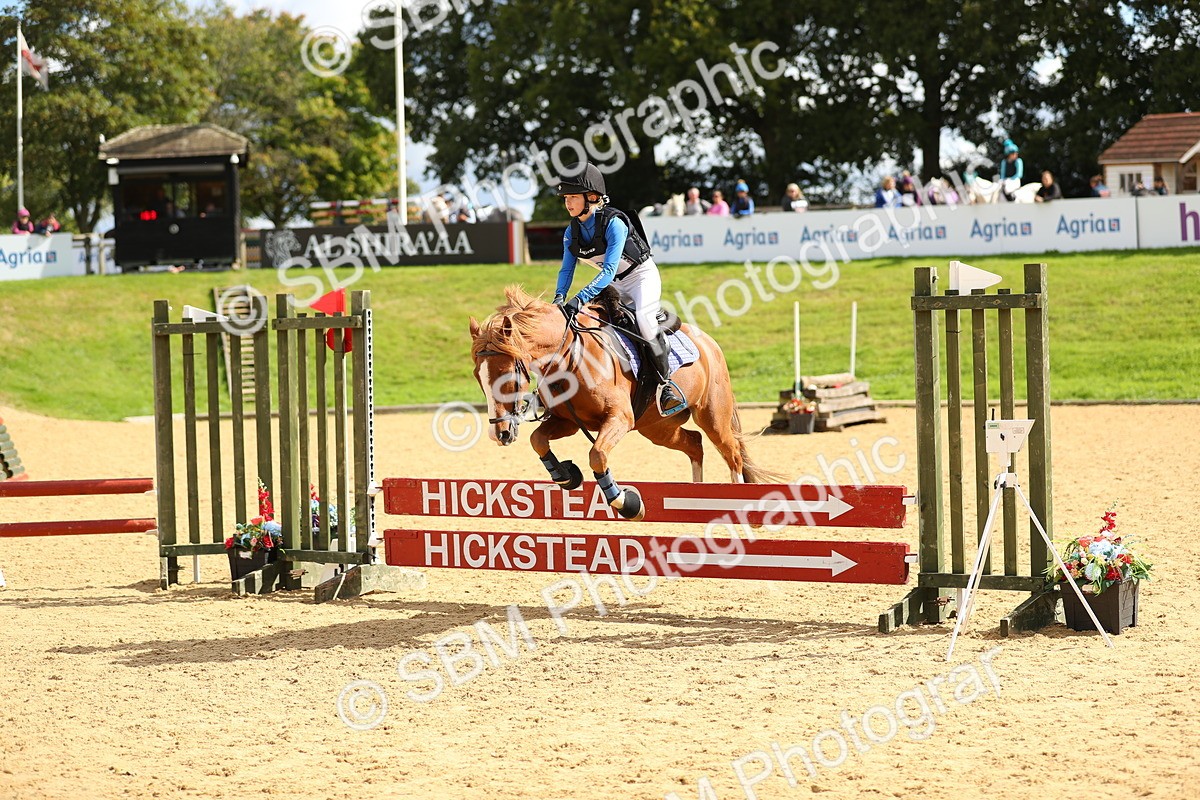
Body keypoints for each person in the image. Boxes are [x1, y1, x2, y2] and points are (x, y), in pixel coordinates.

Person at [553, 162, 684, 415]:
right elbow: (566, 270)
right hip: (613, 284)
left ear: (592, 197)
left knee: (644, 320)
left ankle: (666, 384)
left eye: (573, 197)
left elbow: (608, 270)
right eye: (565, 198)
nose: (568, 203)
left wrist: (579, 298)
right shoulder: (571, 232)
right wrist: (559, 298)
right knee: (590, 322)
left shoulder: (614, 223)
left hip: (641, 277)